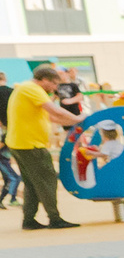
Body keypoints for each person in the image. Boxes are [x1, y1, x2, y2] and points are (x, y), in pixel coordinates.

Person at [9, 62, 80, 229]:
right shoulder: (33, 89)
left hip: (21, 143)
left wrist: (73, 122)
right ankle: (54, 218)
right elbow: (54, 111)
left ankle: (29, 220)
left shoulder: (25, 89)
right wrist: (77, 119)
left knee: (33, 183)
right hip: (30, 145)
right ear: (44, 80)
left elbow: (51, 117)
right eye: (54, 83)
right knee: (47, 179)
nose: (55, 88)